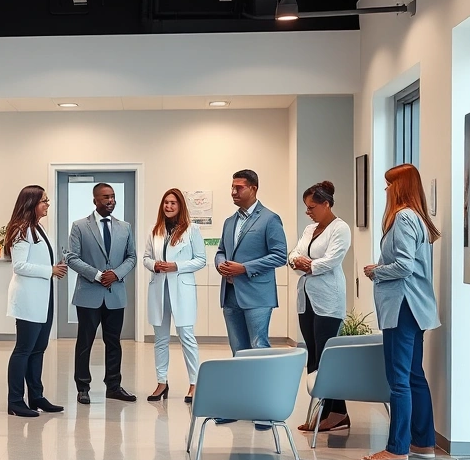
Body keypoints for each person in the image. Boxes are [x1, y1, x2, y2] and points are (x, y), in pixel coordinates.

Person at [361, 164, 440, 460]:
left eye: (388, 184)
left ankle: (397, 449)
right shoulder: (417, 218)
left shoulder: (404, 218)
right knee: (414, 376)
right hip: (415, 308)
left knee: (399, 380)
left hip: (403, 308)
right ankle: (424, 442)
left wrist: (376, 271)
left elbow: (404, 266)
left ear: (400, 187)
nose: (385, 190)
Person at [214, 169, 286, 430]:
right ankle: (238, 405)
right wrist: (221, 264)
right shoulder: (229, 221)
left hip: (257, 295)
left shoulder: (269, 219)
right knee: (238, 351)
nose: (234, 192)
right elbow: (221, 251)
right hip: (231, 293)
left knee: (258, 347)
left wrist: (244, 268)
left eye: (239, 188)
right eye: (232, 187)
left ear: (254, 189)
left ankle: (265, 409)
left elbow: (280, 255)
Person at [65, 182, 138, 404]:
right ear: (95, 200)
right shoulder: (79, 226)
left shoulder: (124, 227)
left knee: (114, 341)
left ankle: (114, 386)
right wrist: (97, 275)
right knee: (84, 342)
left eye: (113, 197)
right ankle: (82, 387)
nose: (111, 201)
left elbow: (132, 257)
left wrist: (116, 274)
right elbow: (71, 257)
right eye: (106, 197)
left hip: (115, 294)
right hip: (89, 294)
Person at [288, 181, 352, 432]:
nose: (308, 212)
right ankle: (333, 412)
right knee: (313, 357)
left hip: (328, 300)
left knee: (327, 358)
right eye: (306, 207)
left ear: (326, 204)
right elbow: (294, 254)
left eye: (312, 207)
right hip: (307, 299)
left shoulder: (341, 228)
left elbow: (333, 260)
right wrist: (298, 261)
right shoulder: (309, 229)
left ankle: (331, 413)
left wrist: (309, 265)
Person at [4, 185, 67, 417]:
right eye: (44, 201)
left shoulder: (38, 228)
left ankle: (37, 397)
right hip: (28, 298)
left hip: (43, 296)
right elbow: (18, 266)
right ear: (31, 204)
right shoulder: (21, 230)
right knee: (24, 349)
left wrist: (53, 267)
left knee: (38, 349)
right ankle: (15, 401)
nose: (47, 204)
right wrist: (49, 269)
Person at [142, 188, 206, 404]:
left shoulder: (192, 230)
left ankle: (195, 383)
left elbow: (200, 260)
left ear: (180, 207)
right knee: (160, 339)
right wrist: (155, 265)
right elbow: (145, 258)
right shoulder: (155, 230)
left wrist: (176, 266)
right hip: (159, 288)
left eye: (173, 203)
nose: (168, 206)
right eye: (166, 202)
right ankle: (162, 382)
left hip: (182, 289)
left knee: (186, 337)